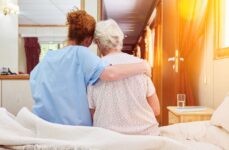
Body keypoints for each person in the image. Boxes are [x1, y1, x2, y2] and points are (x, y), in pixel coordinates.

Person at [30, 10, 151, 126]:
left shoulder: (48, 57)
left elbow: (35, 80)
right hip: (73, 129)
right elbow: (110, 74)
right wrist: (143, 65)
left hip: (43, 124)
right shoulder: (80, 53)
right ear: (88, 40)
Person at [87, 19, 160, 135]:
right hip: (146, 137)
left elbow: (91, 114)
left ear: (98, 43)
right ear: (120, 39)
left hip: (108, 140)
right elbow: (156, 110)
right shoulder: (140, 65)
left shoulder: (94, 71)